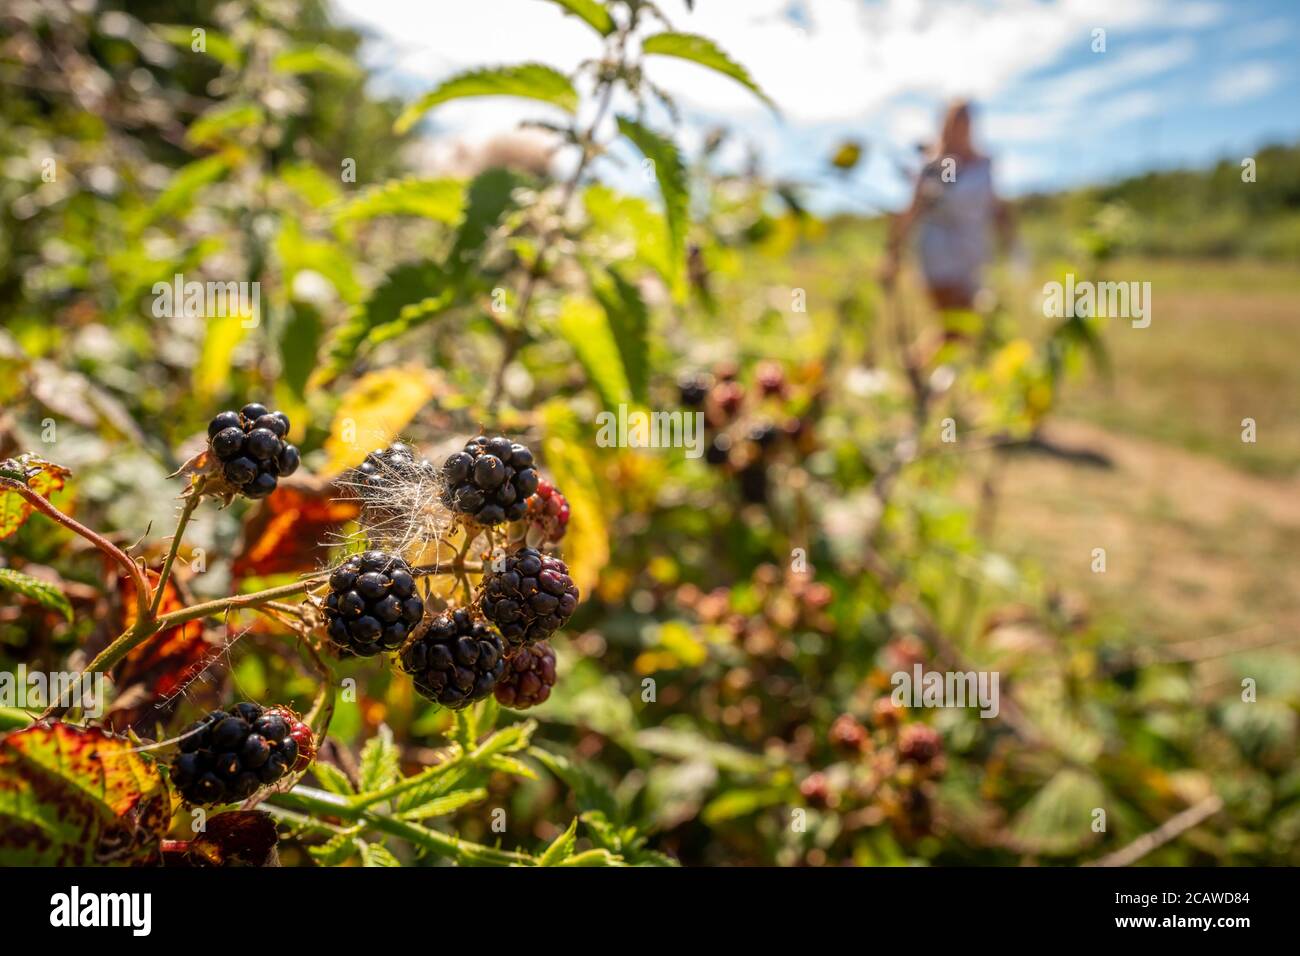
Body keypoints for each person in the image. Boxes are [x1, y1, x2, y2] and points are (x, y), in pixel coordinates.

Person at [880, 100, 1014, 316]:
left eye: (965, 123)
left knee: (965, 328)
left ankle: (918, 352)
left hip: (973, 253)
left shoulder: (983, 164)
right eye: (956, 123)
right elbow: (913, 209)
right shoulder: (937, 165)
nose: (961, 130)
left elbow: (996, 205)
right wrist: (893, 254)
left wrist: (1011, 242)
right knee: (957, 326)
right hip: (939, 254)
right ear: (946, 127)